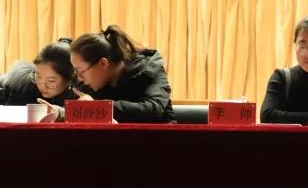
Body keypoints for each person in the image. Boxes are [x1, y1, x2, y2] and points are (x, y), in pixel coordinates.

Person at [42, 25, 176, 123]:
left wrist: (99, 107)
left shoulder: (149, 69)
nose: (80, 78)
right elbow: (86, 109)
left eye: (81, 71)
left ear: (103, 63)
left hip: (159, 141)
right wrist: (60, 113)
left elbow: (152, 109)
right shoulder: (90, 81)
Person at [0, 39, 78, 107]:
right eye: (38, 76)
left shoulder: (79, 92)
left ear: (70, 78)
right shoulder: (22, 88)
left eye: (51, 81)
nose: (43, 86)